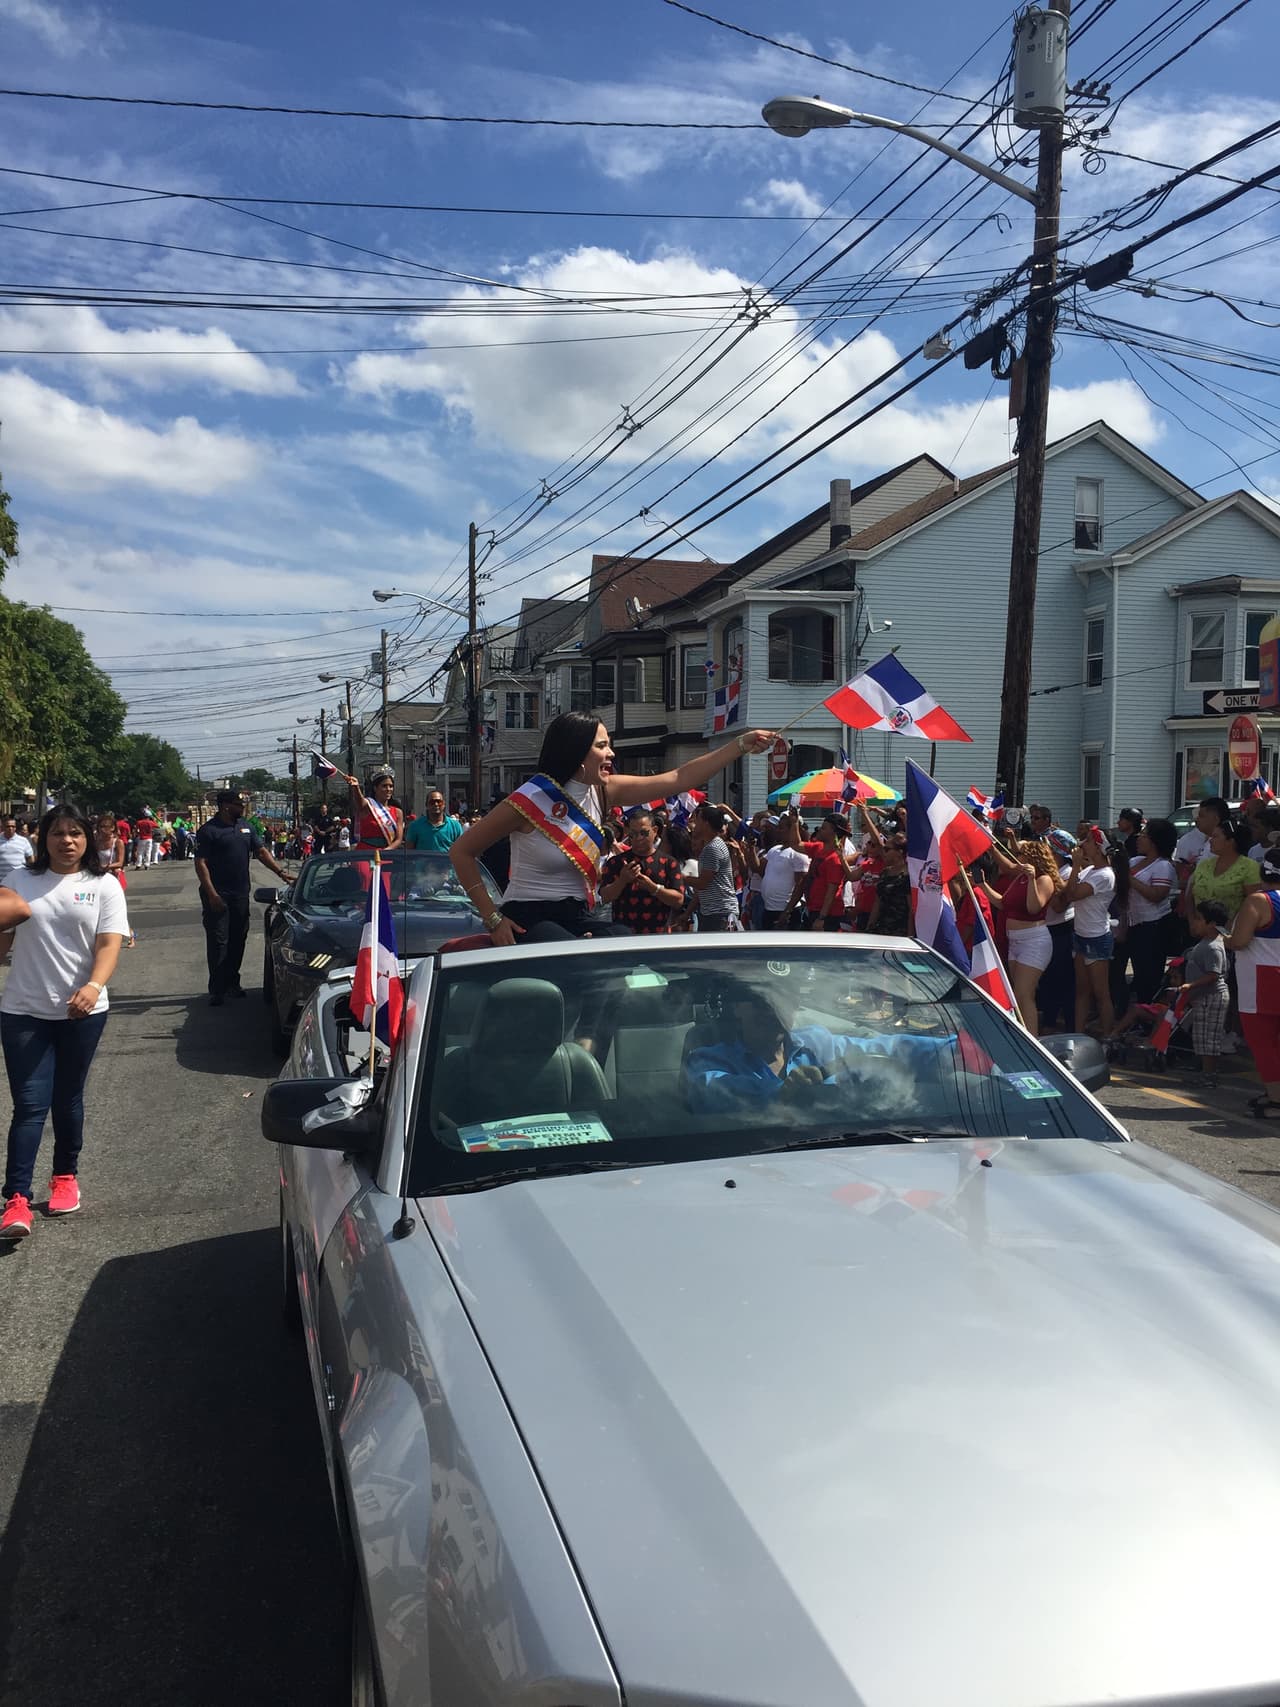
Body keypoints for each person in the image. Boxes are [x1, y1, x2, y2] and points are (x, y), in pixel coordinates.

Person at [449, 712, 778, 945]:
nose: (611, 753)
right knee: (574, 959)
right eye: (601, 746)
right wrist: (493, 919)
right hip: (529, 916)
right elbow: (462, 852)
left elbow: (679, 778)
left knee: (623, 944)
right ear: (576, 750)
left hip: (579, 913)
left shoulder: (604, 790)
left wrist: (740, 745)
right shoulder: (530, 799)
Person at [0, 805, 127, 1239]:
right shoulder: (20, 881)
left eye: (75, 833)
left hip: (83, 1011)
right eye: (57, 832)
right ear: (44, 838)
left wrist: (93, 986)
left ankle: (65, 1177)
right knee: (29, 1105)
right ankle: (16, 1200)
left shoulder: (103, 885)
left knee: (67, 1098)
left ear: (87, 839)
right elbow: (2, 944)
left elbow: (109, 944)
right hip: (23, 1011)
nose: (66, 840)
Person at [685, 985, 957, 1111]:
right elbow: (716, 1091)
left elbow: (887, 1049)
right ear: (736, 1008)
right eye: (759, 1002)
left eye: (782, 1001)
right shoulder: (707, 1059)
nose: (771, 1011)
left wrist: (958, 1051)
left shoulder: (817, 1043)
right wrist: (781, 1092)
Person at [193, 790, 291, 1007]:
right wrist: (211, 894)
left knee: (238, 938)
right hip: (217, 894)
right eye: (239, 804)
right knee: (219, 941)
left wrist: (281, 872)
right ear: (226, 806)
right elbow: (200, 864)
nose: (242, 807)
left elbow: (261, 852)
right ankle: (217, 989)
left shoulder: (245, 827)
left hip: (240, 893)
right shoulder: (209, 831)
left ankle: (232, 982)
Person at [1225, 856, 1280, 1119]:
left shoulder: (1258, 901)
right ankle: (1273, 1093)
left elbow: (1239, 941)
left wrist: (1223, 938)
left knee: (1263, 1042)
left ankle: (1276, 1099)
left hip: (1262, 980)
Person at [986, 840, 1060, 1034]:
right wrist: (981, 885)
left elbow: (1034, 907)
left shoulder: (1044, 880)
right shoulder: (1019, 878)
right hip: (1015, 941)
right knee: (1017, 995)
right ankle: (1023, 1033)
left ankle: (1032, 1038)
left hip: (1034, 941)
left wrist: (1032, 878)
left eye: (1021, 854)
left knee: (1024, 993)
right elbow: (1002, 903)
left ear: (1032, 857)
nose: (1017, 858)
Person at [1064, 828, 1116, 1035]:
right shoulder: (1090, 870)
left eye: (1087, 841)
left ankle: (1107, 1037)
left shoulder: (1105, 874)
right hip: (1081, 935)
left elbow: (1072, 894)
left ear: (1098, 846)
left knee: (1101, 993)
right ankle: (1078, 1034)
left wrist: (1076, 865)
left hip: (1097, 938)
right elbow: (1069, 889)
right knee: (1082, 991)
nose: (1082, 844)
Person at [597, 811, 685, 934]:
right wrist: (622, 880)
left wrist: (653, 888)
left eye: (644, 833)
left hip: (658, 935)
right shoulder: (616, 862)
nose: (638, 838)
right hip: (622, 935)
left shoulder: (668, 863)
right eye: (633, 834)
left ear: (654, 830)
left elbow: (678, 900)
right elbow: (605, 897)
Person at [1124, 817, 1177, 1006]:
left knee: (1150, 973)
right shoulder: (1136, 860)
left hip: (1154, 926)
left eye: (1144, 835)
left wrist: (1129, 879)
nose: (1139, 838)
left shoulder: (1163, 865)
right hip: (1134, 923)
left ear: (1155, 841)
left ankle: (1149, 1012)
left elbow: (1157, 895)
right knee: (1139, 972)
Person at [1177, 899, 1230, 1081]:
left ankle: (1209, 1074)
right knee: (1200, 1034)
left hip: (1212, 996)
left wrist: (1191, 985)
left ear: (1212, 924)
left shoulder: (1214, 947)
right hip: (1201, 997)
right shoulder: (1204, 942)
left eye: (1199, 919)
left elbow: (1213, 975)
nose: (1195, 922)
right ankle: (1203, 1069)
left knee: (1209, 1036)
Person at [1190, 817, 1261, 922]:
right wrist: (1192, 921)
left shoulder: (1250, 867)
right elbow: (1190, 895)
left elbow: (1254, 903)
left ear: (1230, 841)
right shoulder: (1204, 865)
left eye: (1215, 837)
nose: (1210, 841)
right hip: (1200, 927)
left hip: (1231, 928)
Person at [689, 803, 740, 933]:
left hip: (720, 913)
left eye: (698, 820)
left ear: (706, 823)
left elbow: (703, 883)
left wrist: (680, 877)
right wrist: (687, 912)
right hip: (712, 912)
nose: (695, 823)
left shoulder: (713, 848)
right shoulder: (710, 846)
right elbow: (702, 889)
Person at [804, 814, 851, 932]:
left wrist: (821, 918)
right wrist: (794, 822)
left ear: (834, 833)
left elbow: (832, 891)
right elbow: (795, 844)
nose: (820, 829)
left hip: (828, 915)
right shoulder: (819, 848)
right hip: (813, 909)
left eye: (824, 828)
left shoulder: (834, 859)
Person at [344, 766, 404, 851]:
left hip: (387, 853)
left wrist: (387, 851)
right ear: (375, 788)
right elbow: (360, 801)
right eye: (384, 786)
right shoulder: (368, 805)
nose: (388, 789)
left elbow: (398, 839)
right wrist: (356, 787)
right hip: (366, 852)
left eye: (391, 786)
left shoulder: (398, 812)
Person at [404, 789, 464, 853]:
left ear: (444, 804)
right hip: (422, 860)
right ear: (427, 805)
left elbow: (461, 851)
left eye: (439, 801)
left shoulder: (455, 826)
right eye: (432, 802)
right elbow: (409, 852)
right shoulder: (415, 826)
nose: (436, 804)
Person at [134, 806, 158, 870]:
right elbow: (157, 825)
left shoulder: (139, 822)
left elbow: (136, 830)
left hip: (142, 838)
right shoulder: (151, 822)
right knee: (148, 852)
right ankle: (147, 865)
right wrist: (153, 819)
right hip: (149, 838)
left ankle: (138, 864)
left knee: (140, 852)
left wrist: (138, 834)